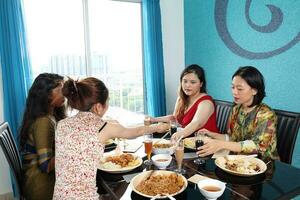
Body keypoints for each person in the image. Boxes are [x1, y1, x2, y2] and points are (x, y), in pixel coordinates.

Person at [53, 77, 169, 199]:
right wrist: (157, 127)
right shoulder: (103, 127)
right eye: (107, 102)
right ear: (98, 107)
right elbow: (136, 131)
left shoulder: (61, 125)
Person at [197, 66, 279, 160]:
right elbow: (233, 139)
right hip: (239, 161)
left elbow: (258, 146)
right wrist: (213, 135)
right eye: (233, 87)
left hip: (264, 165)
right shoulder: (236, 109)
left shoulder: (266, 114)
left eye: (239, 89)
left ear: (254, 90)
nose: (234, 92)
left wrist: (222, 144)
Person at [19, 73, 66, 200]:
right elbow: (45, 166)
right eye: (61, 90)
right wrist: (71, 151)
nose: (65, 93)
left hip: (39, 180)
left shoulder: (49, 115)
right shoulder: (43, 122)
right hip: (41, 187)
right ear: (46, 94)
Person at [150, 64, 219, 139]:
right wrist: (154, 119)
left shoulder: (206, 103)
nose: (187, 85)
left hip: (206, 143)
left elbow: (196, 123)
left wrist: (177, 135)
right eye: (185, 81)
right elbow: (174, 118)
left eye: (193, 82)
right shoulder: (181, 98)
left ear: (201, 84)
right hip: (186, 140)